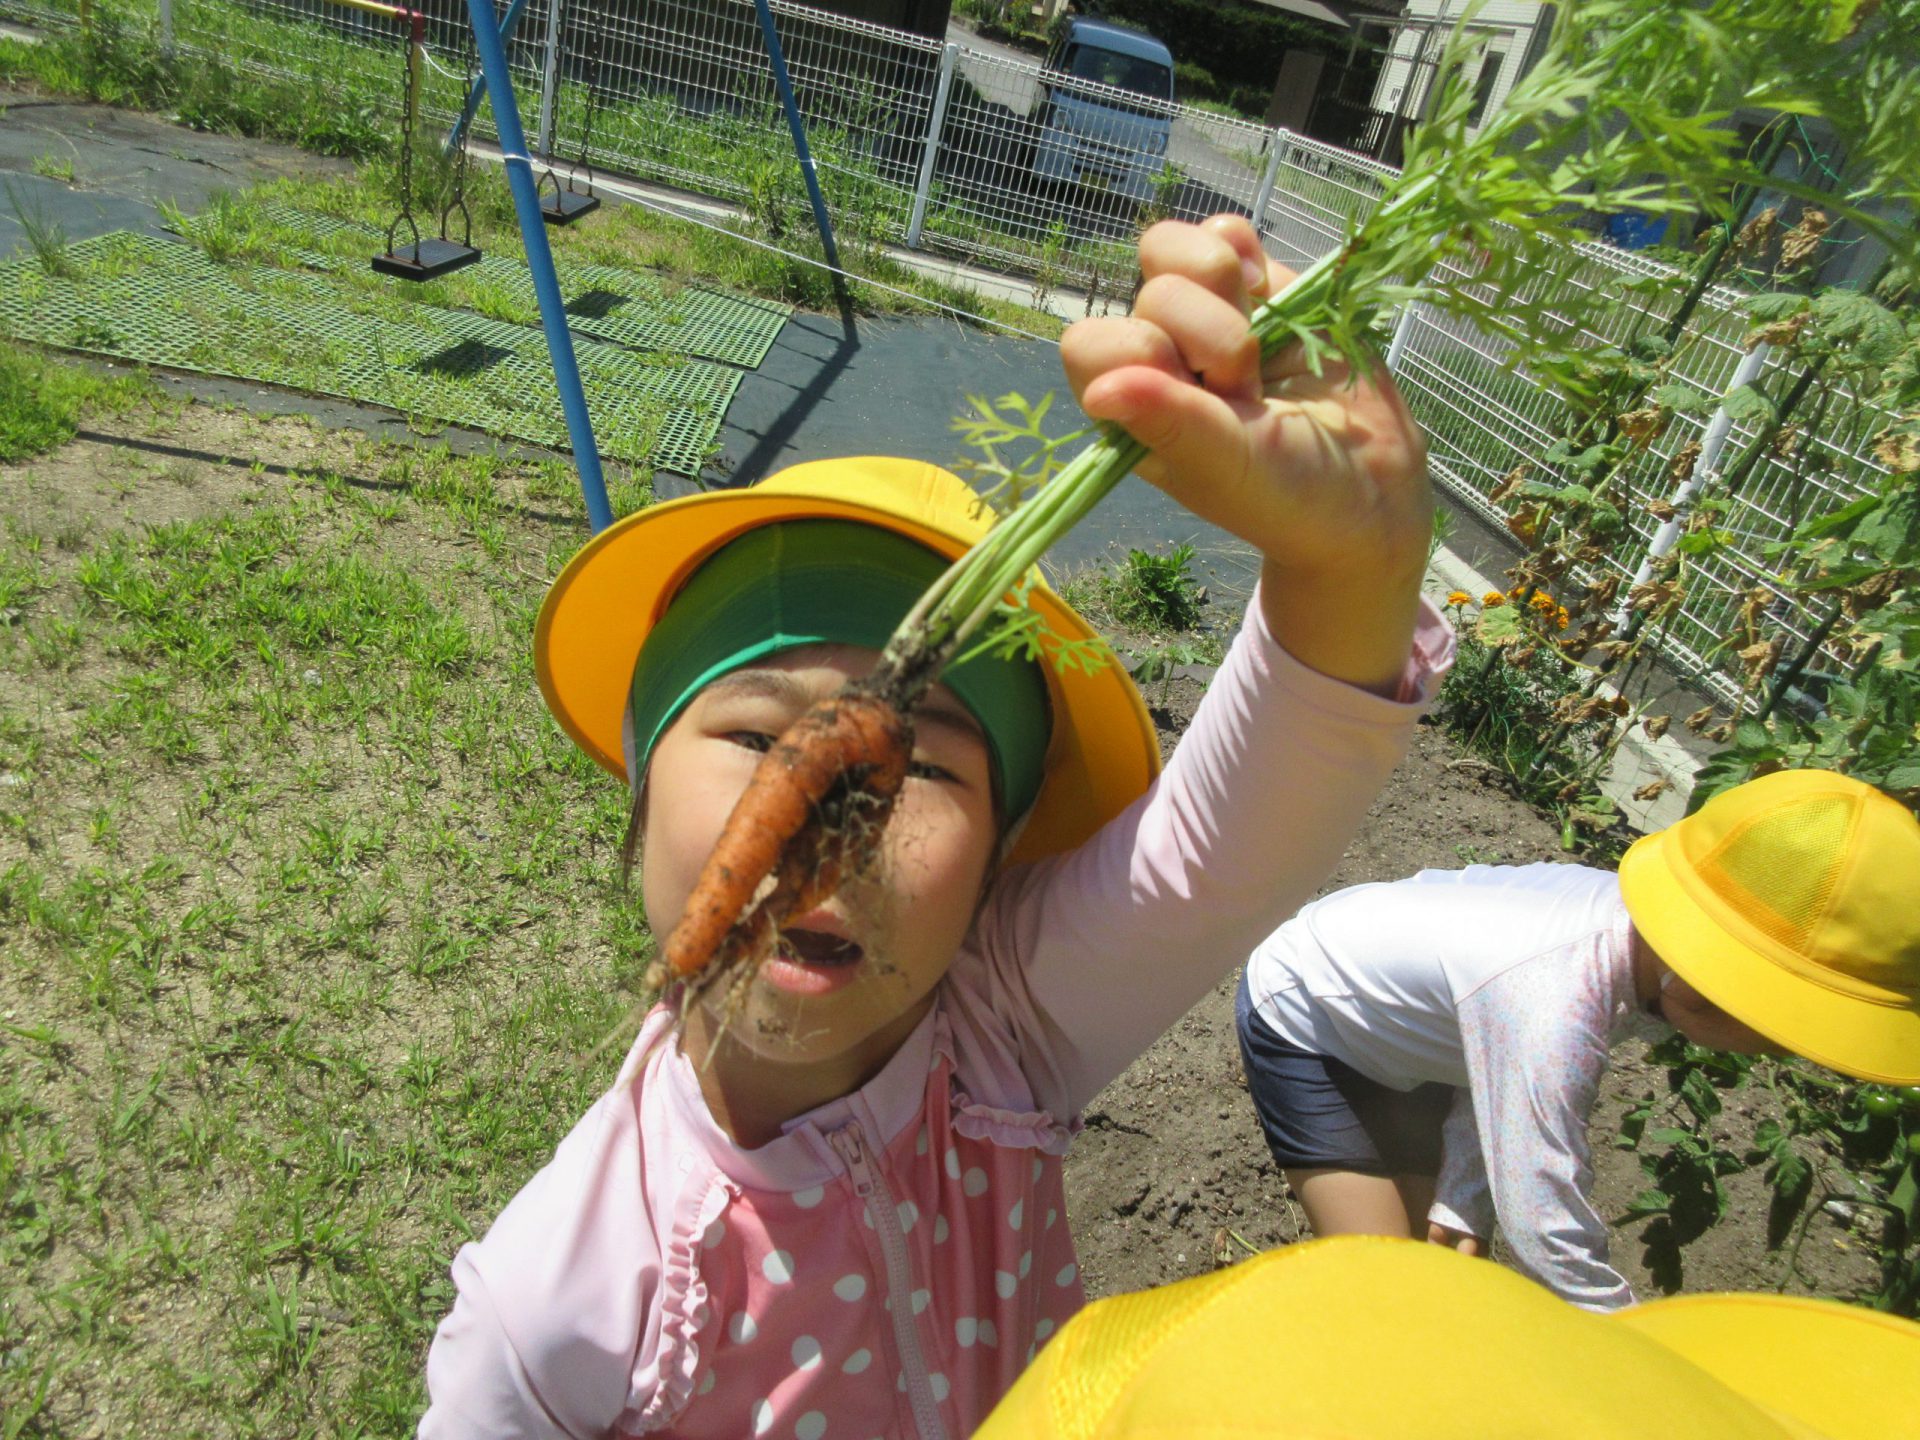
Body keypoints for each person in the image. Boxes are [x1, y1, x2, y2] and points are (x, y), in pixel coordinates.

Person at [416, 213, 1452, 1439]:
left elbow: (1216, 862)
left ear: (1001, 861)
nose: (830, 820)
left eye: (923, 769)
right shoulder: (556, 1310)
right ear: (640, 793)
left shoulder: (1002, 1029)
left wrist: (1355, 567)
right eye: (754, 737)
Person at [1234, 768, 1920, 1310]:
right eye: (1778, 1031)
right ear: (1703, 990)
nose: (1782, 1049)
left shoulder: (1629, 941)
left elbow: (1493, 1060)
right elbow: (1541, 1218)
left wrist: (1463, 1198)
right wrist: (1628, 1344)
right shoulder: (1556, 995)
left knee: (1434, 1262)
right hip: (1310, 1018)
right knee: (1388, 1285)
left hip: (1426, 1032)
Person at [974, 1235, 1920, 1440]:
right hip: (1301, 1021)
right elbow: (1535, 1188)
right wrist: (1580, 1338)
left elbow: (1478, 1078)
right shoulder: (1557, 999)